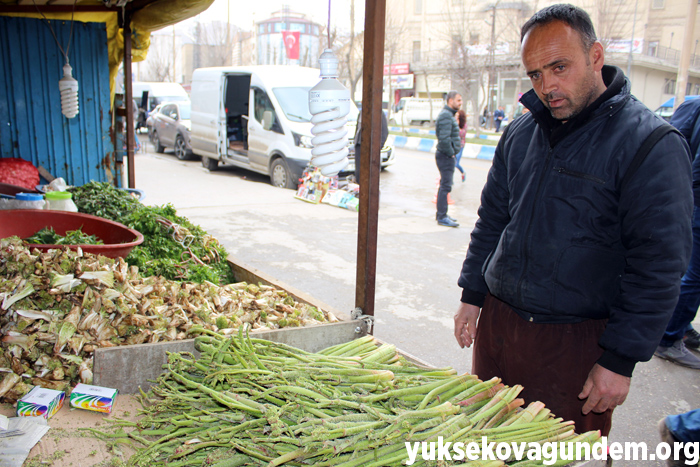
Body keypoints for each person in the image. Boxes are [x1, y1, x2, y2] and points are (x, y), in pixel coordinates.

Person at [454, 3, 692, 437]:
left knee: (565, 456)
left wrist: (619, 361)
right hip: (501, 328)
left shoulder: (651, 143)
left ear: (596, 56)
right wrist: (472, 292)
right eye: (535, 74)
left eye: (559, 67)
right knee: (485, 444)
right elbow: (492, 219)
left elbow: (658, 265)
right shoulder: (520, 133)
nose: (548, 85)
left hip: (576, 344)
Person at [654, 97, 700, 369]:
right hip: (694, 200)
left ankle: (680, 326)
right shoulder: (694, 104)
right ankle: (670, 337)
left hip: (689, 198)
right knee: (692, 274)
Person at [435, 91, 462, 227]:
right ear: (450, 100)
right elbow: (444, 139)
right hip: (445, 156)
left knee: (445, 185)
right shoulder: (446, 115)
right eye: (458, 100)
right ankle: (442, 216)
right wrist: (451, 153)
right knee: (445, 186)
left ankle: (442, 214)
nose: (460, 103)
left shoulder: (448, 114)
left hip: (446, 155)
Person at [353, 110, 389, 183]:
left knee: (370, 175)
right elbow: (358, 129)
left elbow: (384, 132)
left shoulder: (378, 112)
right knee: (359, 173)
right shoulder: (361, 112)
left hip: (371, 148)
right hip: (359, 146)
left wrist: (377, 147)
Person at [454, 110, 467, 183]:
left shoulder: (464, 124)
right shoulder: (454, 123)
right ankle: (450, 180)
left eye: (457, 116)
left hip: (460, 146)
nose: (456, 117)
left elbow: (462, 134)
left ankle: (463, 173)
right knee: (452, 163)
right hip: (454, 145)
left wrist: (458, 126)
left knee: (456, 163)